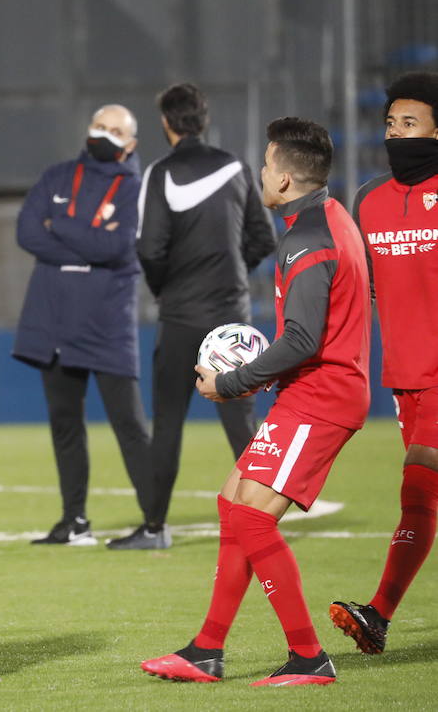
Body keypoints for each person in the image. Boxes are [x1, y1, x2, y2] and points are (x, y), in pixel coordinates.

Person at [142, 117, 370, 687]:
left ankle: (309, 657)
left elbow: (303, 339)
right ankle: (206, 651)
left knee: (251, 517)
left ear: (287, 179)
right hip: (312, 388)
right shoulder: (330, 218)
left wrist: (234, 381)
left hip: (323, 396)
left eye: (267, 165)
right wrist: (266, 375)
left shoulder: (307, 239)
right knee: (232, 502)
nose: (261, 173)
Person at [133, 83, 277, 548]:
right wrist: (233, 272)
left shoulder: (160, 173)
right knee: (241, 421)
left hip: (180, 316)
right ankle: (262, 521)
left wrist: (167, 289)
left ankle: (155, 528)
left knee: (168, 422)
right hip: (231, 317)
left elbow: (149, 249)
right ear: (204, 118)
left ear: (166, 123)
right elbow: (263, 237)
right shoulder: (236, 168)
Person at [13, 105, 158, 548]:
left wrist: (61, 226)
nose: (105, 135)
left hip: (106, 324)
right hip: (53, 321)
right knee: (65, 426)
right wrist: (87, 246)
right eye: (100, 126)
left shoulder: (136, 188)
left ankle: (155, 522)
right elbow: (27, 232)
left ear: (131, 144)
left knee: (129, 425)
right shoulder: (57, 175)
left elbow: (118, 246)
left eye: (116, 131)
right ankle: (74, 520)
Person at [331, 71, 438, 654]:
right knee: (424, 497)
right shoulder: (369, 200)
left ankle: (377, 614)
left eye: (411, 124)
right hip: (404, 378)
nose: (398, 134)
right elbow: (365, 287)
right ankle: (379, 617)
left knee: (418, 490)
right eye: (391, 124)